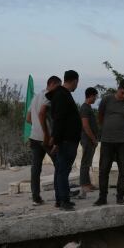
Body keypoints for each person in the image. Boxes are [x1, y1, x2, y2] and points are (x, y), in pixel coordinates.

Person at [95, 79, 124, 206]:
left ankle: (120, 197)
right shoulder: (106, 100)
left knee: (123, 170)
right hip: (107, 140)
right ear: (118, 89)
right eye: (123, 93)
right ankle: (102, 197)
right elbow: (100, 116)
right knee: (104, 170)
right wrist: (107, 128)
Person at [47, 70, 82, 210]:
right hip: (66, 141)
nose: (77, 85)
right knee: (62, 171)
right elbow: (59, 120)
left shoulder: (62, 95)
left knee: (61, 170)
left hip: (67, 139)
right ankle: (63, 201)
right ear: (74, 81)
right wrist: (56, 141)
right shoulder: (62, 95)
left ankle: (61, 199)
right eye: (77, 82)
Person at [26, 75, 61, 205]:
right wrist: (46, 132)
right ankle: (60, 195)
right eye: (58, 86)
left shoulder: (35, 97)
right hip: (46, 138)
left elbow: (28, 119)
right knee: (59, 165)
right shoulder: (48, 97)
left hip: (34, 137)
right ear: (51, 84)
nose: (58, 90)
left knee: (36, 168)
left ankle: (36, 196)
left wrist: (37, 126)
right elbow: (42, 113)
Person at [79, 87, 99, 198]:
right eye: (95, 96)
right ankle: (84, 184)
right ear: (90, 96)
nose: (95, 98)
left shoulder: (88, 108)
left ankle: (88, 183)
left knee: (88, 162)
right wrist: (93, 139)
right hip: (87, 139)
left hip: (90, 140)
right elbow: (85, 125)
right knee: (85, 162)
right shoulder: (84, 108)